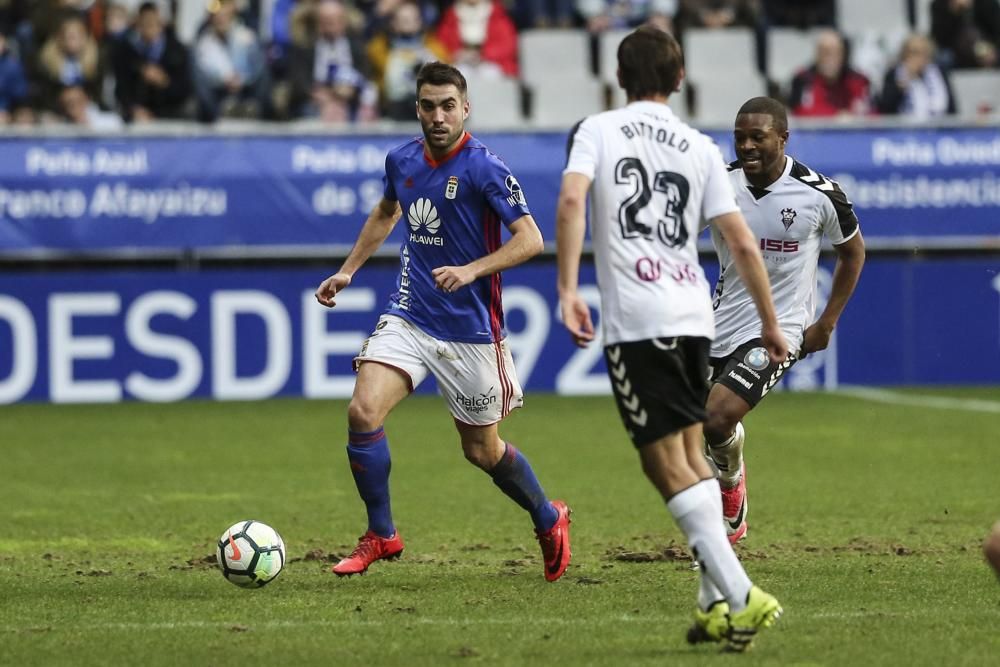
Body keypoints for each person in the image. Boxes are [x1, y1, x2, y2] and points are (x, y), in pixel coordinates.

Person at [556, 26, 785, 652]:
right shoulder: (702, 147)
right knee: (692, 458)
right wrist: (768, 322)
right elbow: (741, 242)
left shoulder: (596, 130)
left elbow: (573, 201)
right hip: (693, 318)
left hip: (639, 318)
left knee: (664, 465)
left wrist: (569, 287)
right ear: (680, 79)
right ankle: (714, 605)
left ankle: (742, 594)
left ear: (618, 77)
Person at [315, 61, 572, 582]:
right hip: (411, 313)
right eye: (429, 106)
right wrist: (347, 271)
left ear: (465, 108)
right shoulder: (401, 159)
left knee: (481, 450)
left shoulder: (485, 168)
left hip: (472, 331)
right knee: (363, 411)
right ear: (417, 109)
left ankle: (548, 518)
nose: (438, 116)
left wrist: (473, 268)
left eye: (448, 106)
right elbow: (387, 212)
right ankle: (382, 534)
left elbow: (532, 239)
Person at [702, 96, 865, 544]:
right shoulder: (718, 186)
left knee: (717, 417)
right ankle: (726, 481)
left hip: (783, 329)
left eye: (758, 137)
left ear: (783, 138)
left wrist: (826, 322)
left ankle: (731, 490)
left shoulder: (819, 194)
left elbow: (853, 251)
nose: (747, 146)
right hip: (721, 323)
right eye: (740, 138)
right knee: (700, 425)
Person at [788, 29, 873, 117]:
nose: (830, 58)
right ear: (817, 54)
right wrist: (836, 116)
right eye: (825, 52)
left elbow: (874, 115)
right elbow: (799, 112)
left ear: (843, 54)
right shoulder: (803, 79)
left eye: (836, 52)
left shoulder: (859, 80)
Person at [878, 34, 956, 119]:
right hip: (904, 130)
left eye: (924, 52)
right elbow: (886, 109)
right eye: (914, 52)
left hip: (938, 128)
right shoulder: (893, 75)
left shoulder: (940, 73)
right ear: (905, 54)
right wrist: (903, 84)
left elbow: (952, 109)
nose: (919, 57)